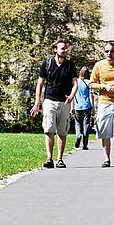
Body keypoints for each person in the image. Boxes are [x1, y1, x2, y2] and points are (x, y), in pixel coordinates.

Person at [30, 39, 78, 168]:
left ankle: (60, 159)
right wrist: (37, 103)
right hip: (49, 100)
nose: (65, 50)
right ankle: (49, 158)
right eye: (63, 48)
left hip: (65, 101)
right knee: (49, 129)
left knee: (62, 131)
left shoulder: (70, 65)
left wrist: (71, 97)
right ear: (55, 50)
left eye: (66, 48)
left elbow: (75, 84)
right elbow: (40, 84)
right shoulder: (47, 64)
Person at [72, 66, 93, 150]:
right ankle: (85, 144)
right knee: (86, 124)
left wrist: (72, 107)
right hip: (87, 106)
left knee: (77, 123)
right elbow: (91, 96)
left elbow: (73, 95)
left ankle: (78, 135)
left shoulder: (76, 82)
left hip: (77, 106)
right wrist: (93, 108)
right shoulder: (89, 83)